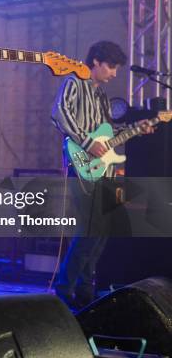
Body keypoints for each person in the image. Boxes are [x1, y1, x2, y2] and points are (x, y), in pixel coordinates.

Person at [51, 41, 153, 310]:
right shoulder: (74, 81)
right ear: (95, 62)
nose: (114, 73)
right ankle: (64, 289)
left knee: (103, 231)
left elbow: (107, 131)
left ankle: (84, 291)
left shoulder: (101, 96)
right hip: (81, 163)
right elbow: (59, 114)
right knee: (90, 228)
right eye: (111, 66)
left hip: (103, 168)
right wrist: (86, 142)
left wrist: (137, 128)